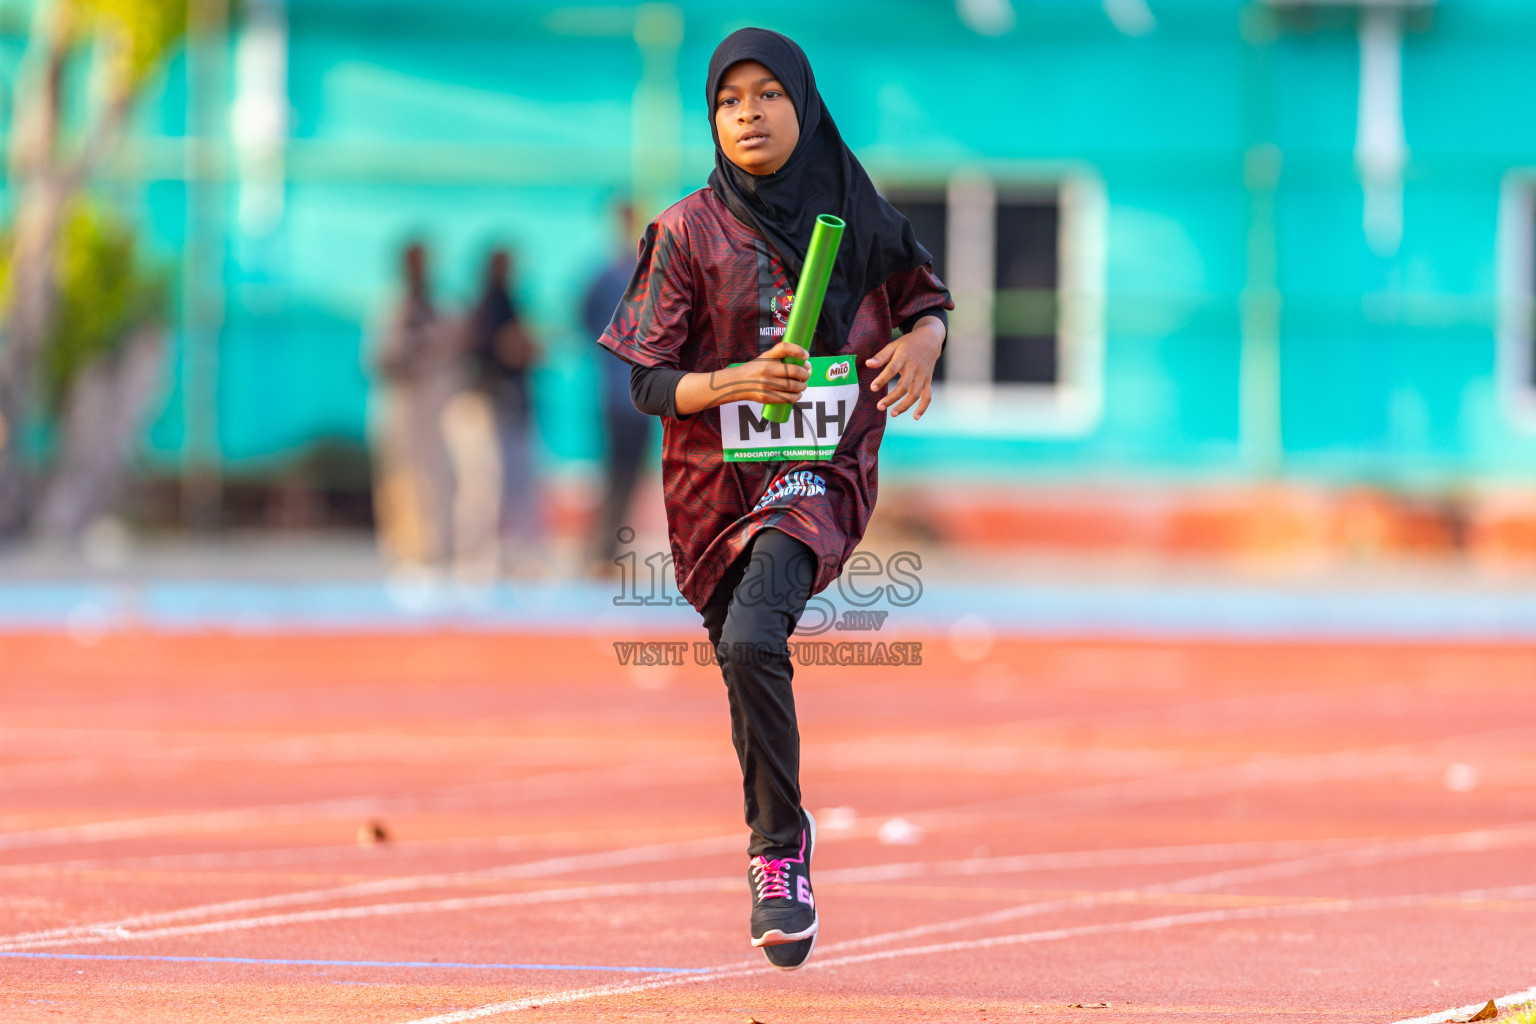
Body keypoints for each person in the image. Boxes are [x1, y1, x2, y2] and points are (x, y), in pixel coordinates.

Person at [596, 28, 951, 971]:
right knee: (739, 651)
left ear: (804, 101)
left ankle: (776, 855)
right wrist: (736, 382)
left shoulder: (852, 207)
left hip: (820, 469)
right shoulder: (683, 233)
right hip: (714, 487)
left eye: (768, 95)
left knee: (756, 636)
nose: (749, 115)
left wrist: (924, 343)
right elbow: (645, 381)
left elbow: (923, 296)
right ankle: (782, 830)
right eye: (728, 100)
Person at [373, 242, 461, 570]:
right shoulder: (392, 307)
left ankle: (438, 550)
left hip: (436, 406)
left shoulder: (443, 307)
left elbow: (456, 350)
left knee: (438, 476)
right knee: (402, 478)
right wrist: (413, 350)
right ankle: (406, 554)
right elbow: (381, 360)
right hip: (404, 405)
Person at [583, 203, 650, 570]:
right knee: (615, 473)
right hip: (618, 393)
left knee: (627, 475)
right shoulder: (608, 276)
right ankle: (603, 549)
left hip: (638, 394)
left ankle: (610, 548)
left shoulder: (639, 274)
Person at [467, 249, 543, 573]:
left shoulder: (507, 300)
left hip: (512, 402)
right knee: (494, 482)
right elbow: (508, 347)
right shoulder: (490, 304)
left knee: (516, 481)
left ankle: (509, 551)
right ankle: (489, 554)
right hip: (500, 402)